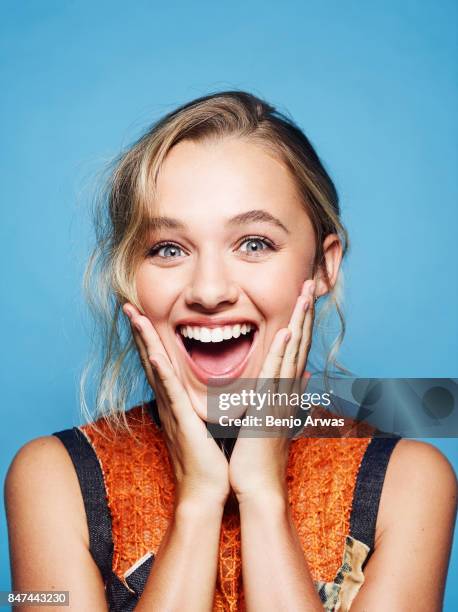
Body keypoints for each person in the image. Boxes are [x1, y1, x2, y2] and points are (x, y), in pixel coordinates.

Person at [5, 91, 457, 612]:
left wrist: (264, 497)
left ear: (323, 267)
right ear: (130, 276)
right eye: (168, 249)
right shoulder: (51, 478)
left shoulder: (410, 482)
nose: (209, 290)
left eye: (255, 243)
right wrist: (196, 503)